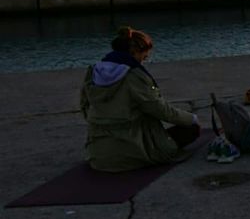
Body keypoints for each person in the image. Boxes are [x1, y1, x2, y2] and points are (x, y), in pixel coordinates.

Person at [80, 26, 200, 172]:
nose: (143, 62)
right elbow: (160, 110)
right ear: (134, 52)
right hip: (131, 152)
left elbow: (85, 106)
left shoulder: (93, 72)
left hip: (98, 155)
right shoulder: (134, 76)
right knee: (191, 129)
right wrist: (192, 118)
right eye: (144, 58)